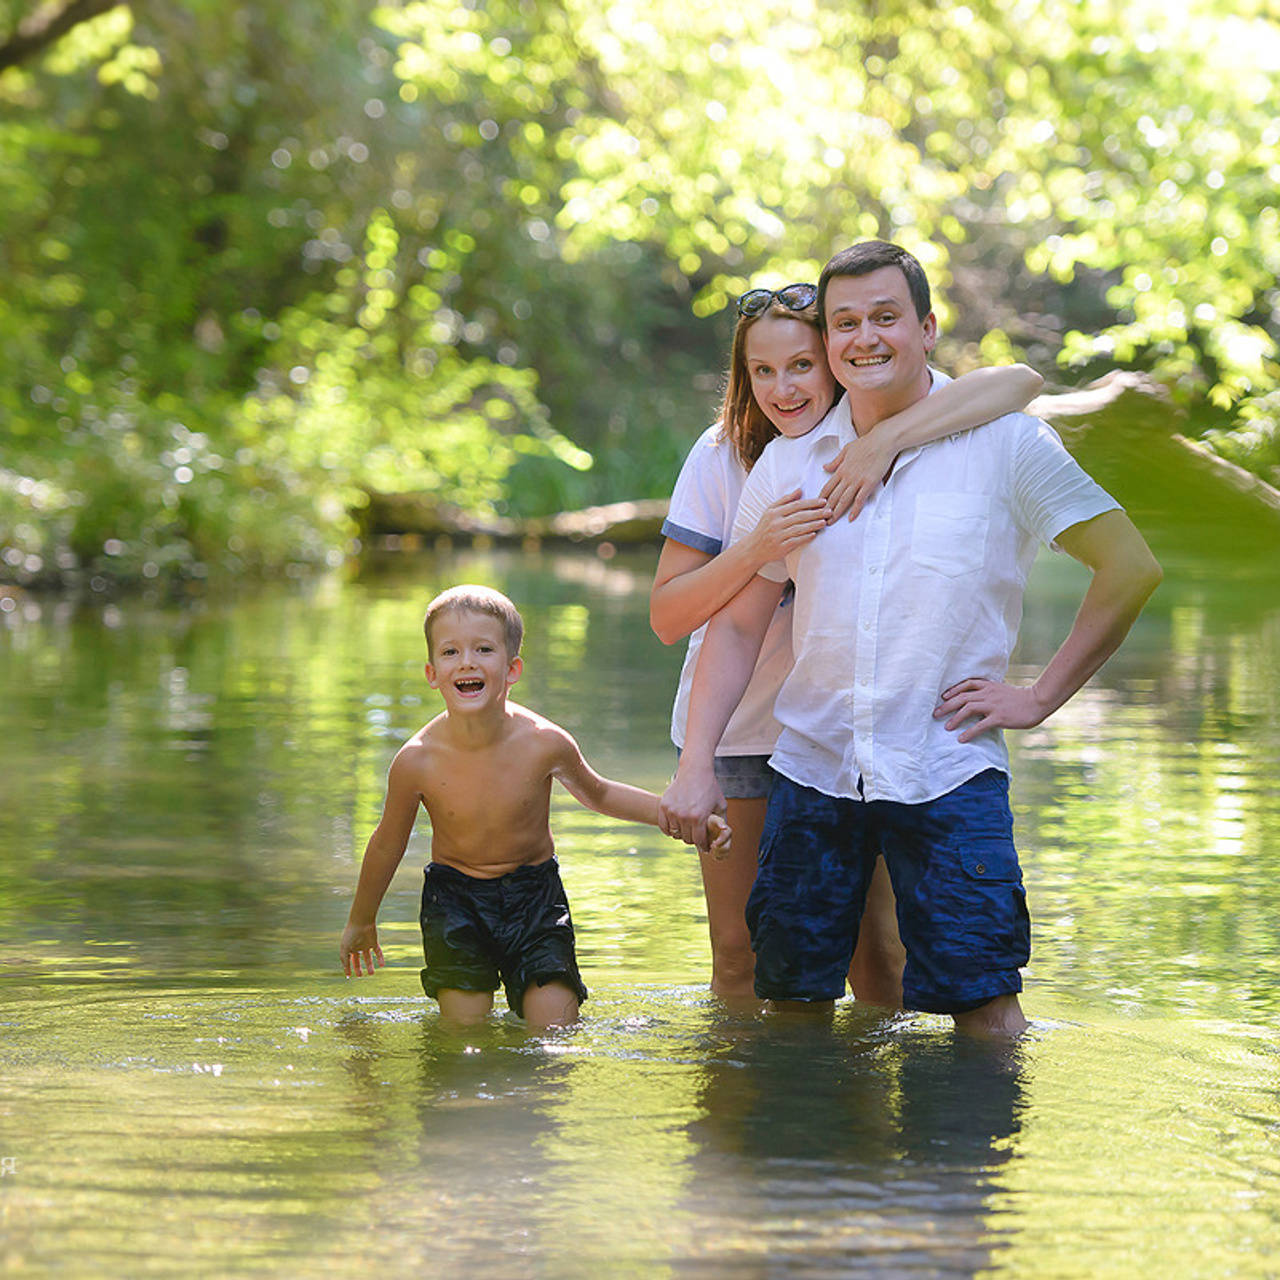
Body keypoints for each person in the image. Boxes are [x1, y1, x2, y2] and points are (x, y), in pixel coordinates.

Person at [659, 241, 1162, 1036]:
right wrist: (696, 766)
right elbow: (738, 627)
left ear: (928, 328)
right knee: (787, 1000)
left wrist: (1038, 697)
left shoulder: (1008, 445)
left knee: (985, 1006)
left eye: (886, 317)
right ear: (825, 340)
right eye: (845, 323)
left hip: (945, 771)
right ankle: (810, 1161)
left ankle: (960, 1162)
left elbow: (1129, 567)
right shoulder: (787, 465)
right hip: (811, 773)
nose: (864, 339)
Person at [652, 280, 1044, 1003]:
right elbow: (671, 617)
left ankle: (858, 1112)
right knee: (747, 954)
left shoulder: (895, 432)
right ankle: (753, 1111)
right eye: (762, 371)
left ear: (835, 359)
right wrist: (754, 548)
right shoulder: (724, 456)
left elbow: (1020, 380)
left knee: (880, 953)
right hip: (740, 730)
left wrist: (888, 436)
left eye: (801, 365)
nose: (782, 388)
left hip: (857, 735)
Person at [339, 583, 728, 1030]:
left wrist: (685, 818)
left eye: (483, 649)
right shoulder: (416, 761)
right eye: (451, 653)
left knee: (556, 1033)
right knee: (464, 1040)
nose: (466, 661)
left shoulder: (545, 743)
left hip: (535, 900)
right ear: (432, 673)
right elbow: (388, 842)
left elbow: (599, 794)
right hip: (457, 903)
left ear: (512, 668)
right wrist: (362, 919)